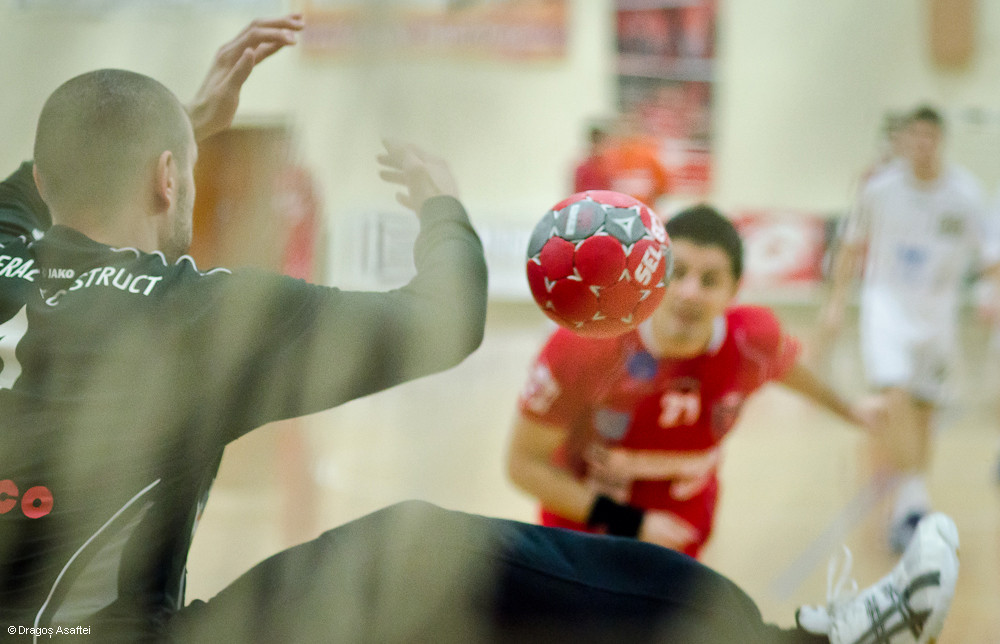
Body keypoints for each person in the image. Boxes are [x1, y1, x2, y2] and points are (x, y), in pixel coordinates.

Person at [0, 37, 958, 644]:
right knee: (418, 550)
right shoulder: (194, 313)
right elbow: (444, 322)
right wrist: (441, 205)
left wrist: (173, 130)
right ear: (169, 178)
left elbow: (38, 185)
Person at [508, 204, 877, 558]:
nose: (690, 292)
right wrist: (633, 523)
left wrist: (851, 409)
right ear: (650, 275)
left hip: (680, 540)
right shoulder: (587, 343)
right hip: (580, 543)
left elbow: (789, 368)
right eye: (677, 273)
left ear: (734, 290)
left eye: (710, 280)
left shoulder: (752, 340)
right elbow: (523, 464)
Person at [820, 104, 1000, 553]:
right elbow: (850, 247)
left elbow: (989, 258)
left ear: (940, 141)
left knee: (923, 410)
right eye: (914, 137)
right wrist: (836, 304)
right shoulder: (879, 190)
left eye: (929, 137)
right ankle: (913, 499)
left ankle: (911, 498)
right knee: (895, 393)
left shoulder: (965, 194)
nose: (921, 145)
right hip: (887, 306)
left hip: (938, 314)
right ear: (904, 141)